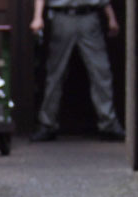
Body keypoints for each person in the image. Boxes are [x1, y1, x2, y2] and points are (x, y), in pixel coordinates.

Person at [30, 0, 125, 142]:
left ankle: (109, 123)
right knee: (55, 73)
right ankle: (47, 123)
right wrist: (37, 16)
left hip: (89, 16)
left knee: (100, 71)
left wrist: (111, 17)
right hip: (62, 16)